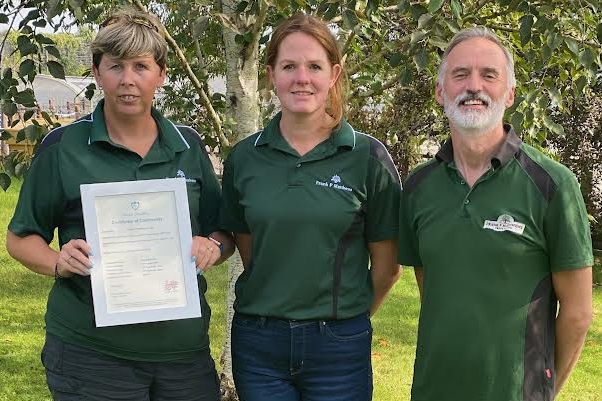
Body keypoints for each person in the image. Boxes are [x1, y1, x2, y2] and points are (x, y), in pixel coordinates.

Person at [6, 9, 233, 401]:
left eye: (141, 67)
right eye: (115, 66)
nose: (128, 80)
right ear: (97, 72)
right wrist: (59, 262)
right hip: (91, 354)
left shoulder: (188, 146)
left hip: (183, 354)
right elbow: (20, 238)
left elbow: (224, 231)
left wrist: (211, 245)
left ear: (160, 75)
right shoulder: (63, 148)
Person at [398, 26, 593, 401]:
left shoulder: (553, 185)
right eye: (460, 74)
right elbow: (432, 287)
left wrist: (541, 390)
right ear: (441, 92)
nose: (474, 86)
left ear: (510, 93)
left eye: (489, 75)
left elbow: (578, 313)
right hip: (432, 390)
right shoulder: (417, 188)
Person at [218, 12, 402, 401]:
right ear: (271, 74)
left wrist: (344, 323)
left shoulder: (368, 157)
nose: (302, 78)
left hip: (338, 347)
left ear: (333, 75)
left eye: (314, 66)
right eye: (289, 66)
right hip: (259, 344)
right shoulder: (244, 159)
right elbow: (251, 249)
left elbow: (386, 268)